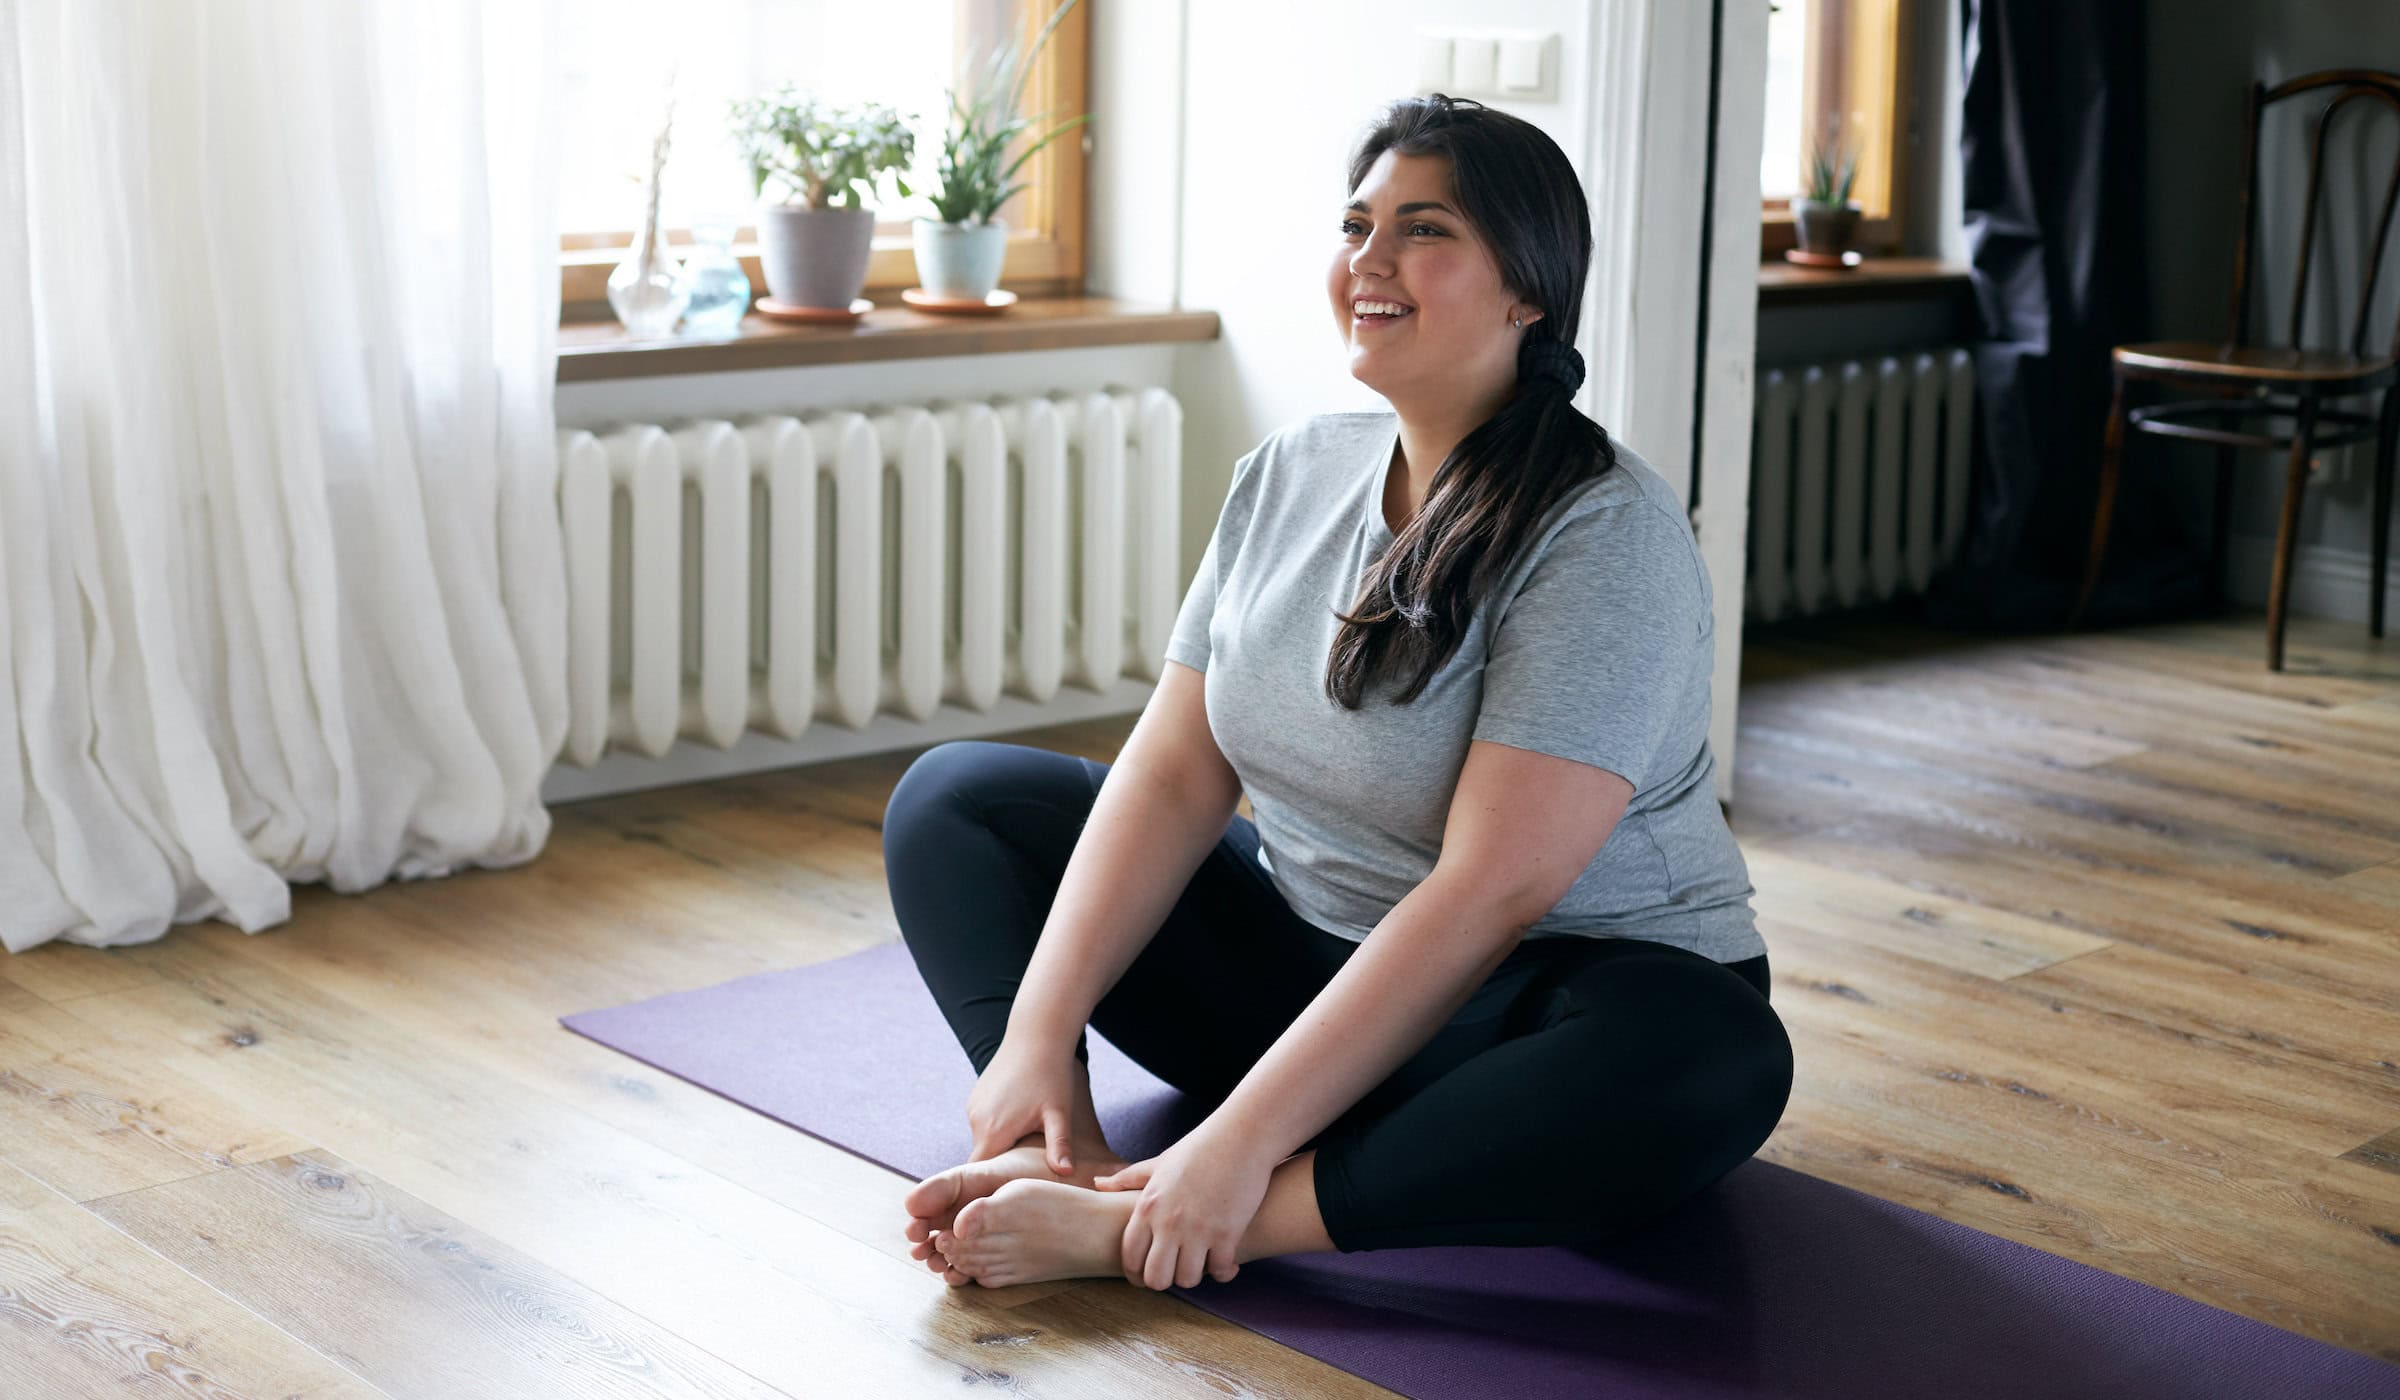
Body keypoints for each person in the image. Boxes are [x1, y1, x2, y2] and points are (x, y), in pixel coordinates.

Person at [882, 92, 1794, 1293]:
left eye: (1424, 231)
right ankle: (1063, 1149)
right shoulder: (1291, 469)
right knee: (961, 794)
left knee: (1714, 1061)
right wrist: (1033, 1037)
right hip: (1303, 972)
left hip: (1521, 1010)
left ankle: (1179, 1221)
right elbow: (1171, 769)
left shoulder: (1604, 533)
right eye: (1358, 224)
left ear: (1528, 288)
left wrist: (1226, 1155)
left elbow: (1488, 894)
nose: (1370, 259)